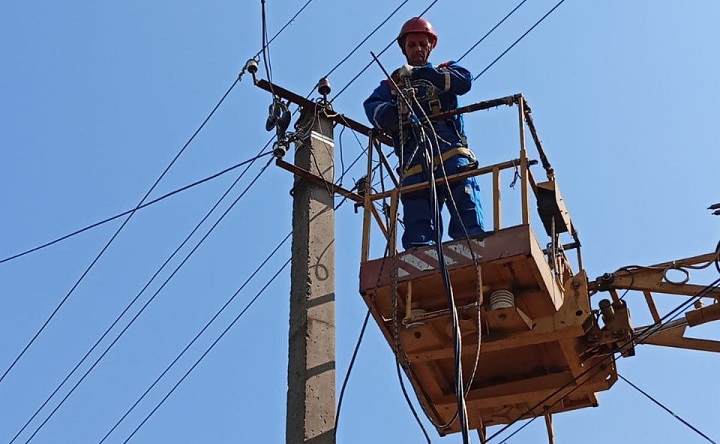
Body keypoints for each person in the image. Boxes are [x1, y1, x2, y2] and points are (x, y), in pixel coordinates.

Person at [364, 17, 485, 250]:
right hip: (414, 159)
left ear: (431, 46)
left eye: (422, 44)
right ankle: (420, 252)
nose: (418, 49)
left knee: (464, 198)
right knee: (417, 213)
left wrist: (424, 74)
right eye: (412, 45)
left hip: (450, 150)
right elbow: (373, 110)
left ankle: (472, 244)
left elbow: (465, 81)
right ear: (404, 49)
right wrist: (397, 110)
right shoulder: (392, 85)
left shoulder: (444, 71)